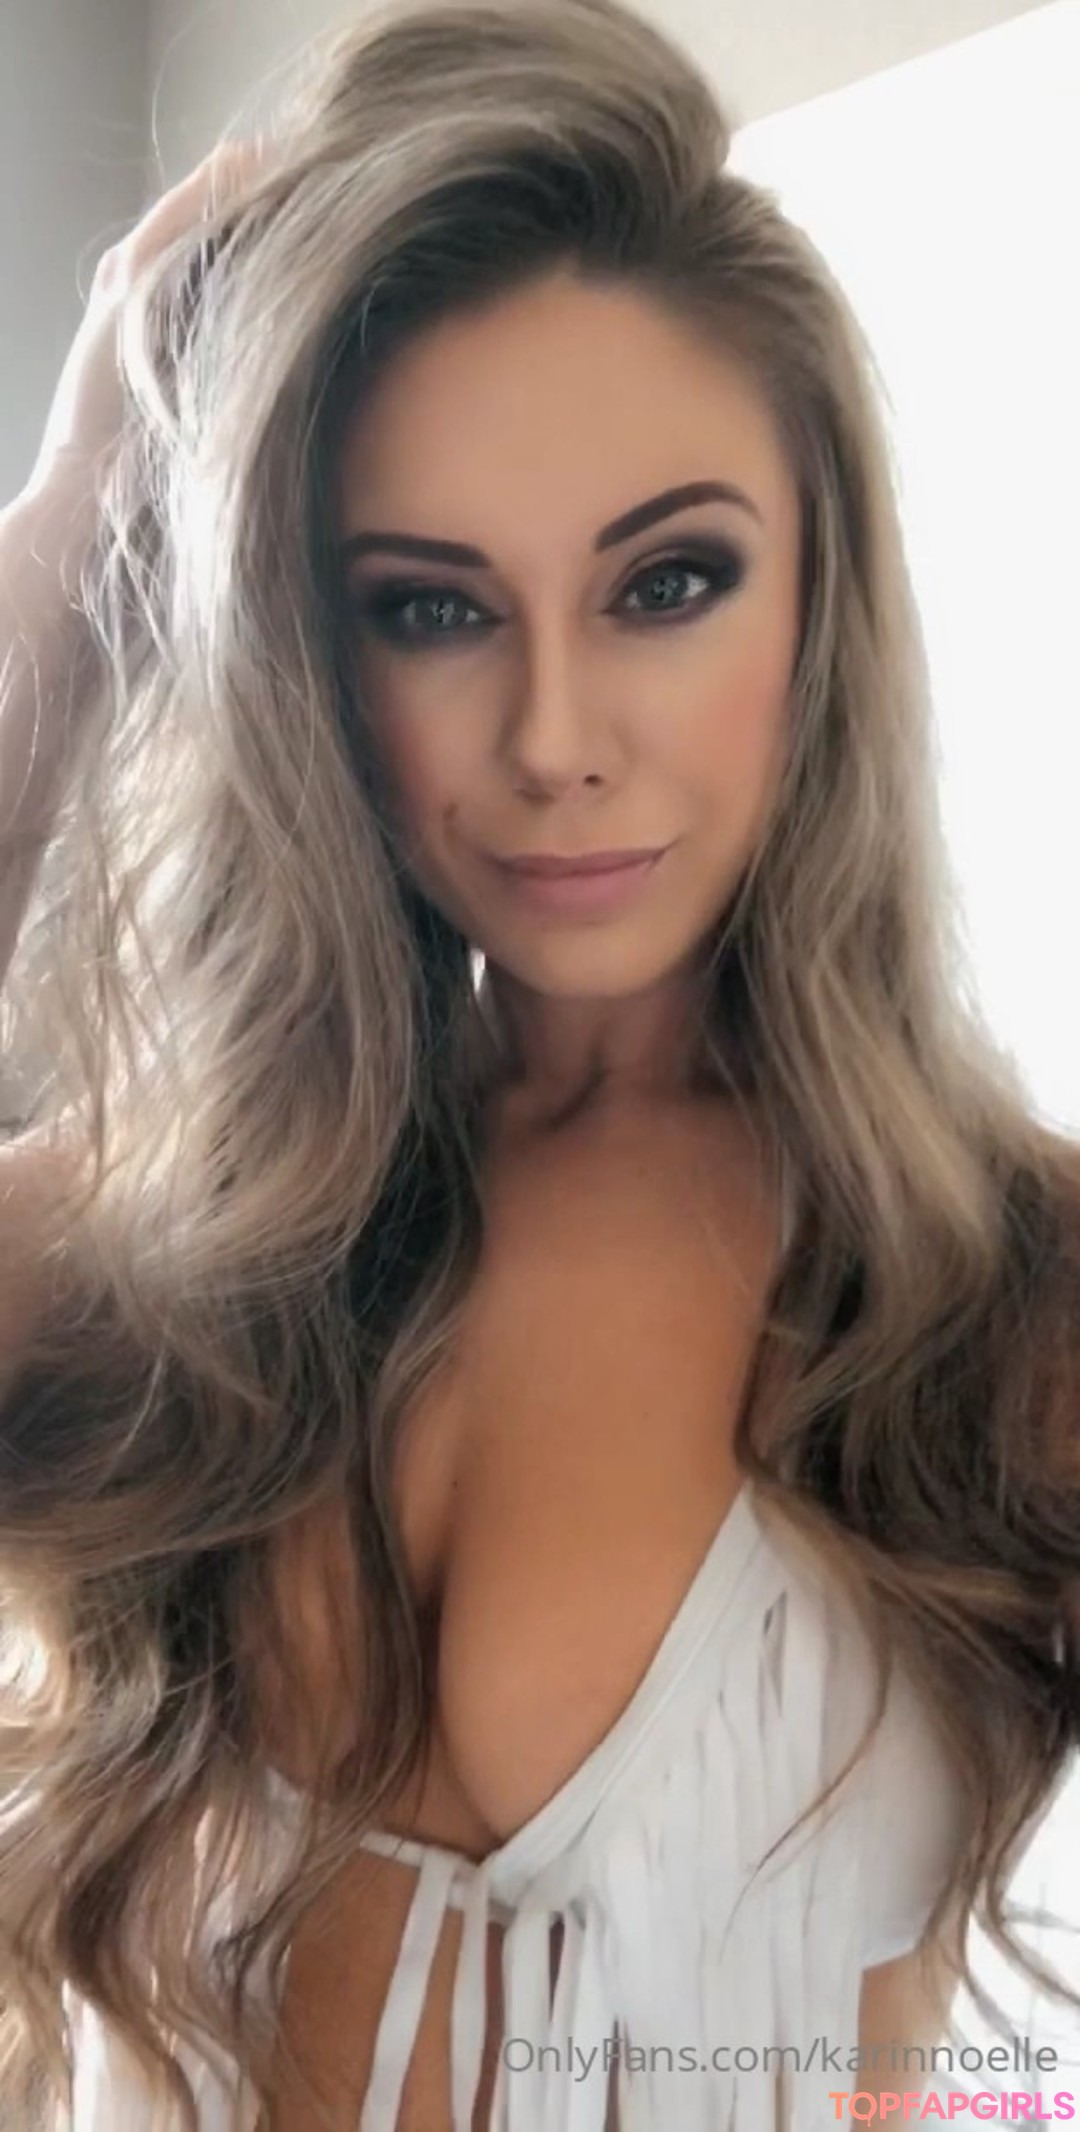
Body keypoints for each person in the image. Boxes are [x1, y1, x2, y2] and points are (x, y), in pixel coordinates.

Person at [1, 0, 1079, 2125]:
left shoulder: (1010, 1291)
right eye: (430, 606)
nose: (555, 736)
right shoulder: (139, 1251)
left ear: (819, 601)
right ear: (308, 653)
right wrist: (74, 544)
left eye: (668, 581)